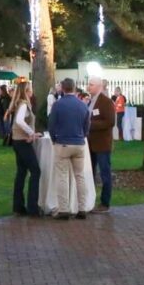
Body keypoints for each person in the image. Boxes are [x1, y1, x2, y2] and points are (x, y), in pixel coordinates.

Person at [47, 77, 90, 219]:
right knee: (80, 176)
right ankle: (82, 208)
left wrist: (54, 139)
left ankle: (64, 209)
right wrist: (82, 136)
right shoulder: (82, 105)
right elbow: (87, 124)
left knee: (62, 176)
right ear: (74, 88)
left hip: (63, 142)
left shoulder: (58, 105)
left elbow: (51, 125)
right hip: (79, 143)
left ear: (63, 89)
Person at [7, 82, 42, 216]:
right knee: (35, 171)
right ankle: (33, 207)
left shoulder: (18, 104)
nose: (32, 91)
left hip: (17, 141)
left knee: (21, 172)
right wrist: (31, 133)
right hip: (22, 142)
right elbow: (20, 121)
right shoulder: (23, 105)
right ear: (27, 90)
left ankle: (19, 206)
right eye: (31, 88)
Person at [86, 76, 116, 213]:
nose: (88, 86)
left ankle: (105, 202)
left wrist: (90, 125)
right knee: (89, 172)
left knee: (105, 173)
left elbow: (110, 122)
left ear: (99, 86)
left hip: (102, 144)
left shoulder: (106, 102)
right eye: (89, 84)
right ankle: (89, 201)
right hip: (90, 143)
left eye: (91, 84)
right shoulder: (90, 101)